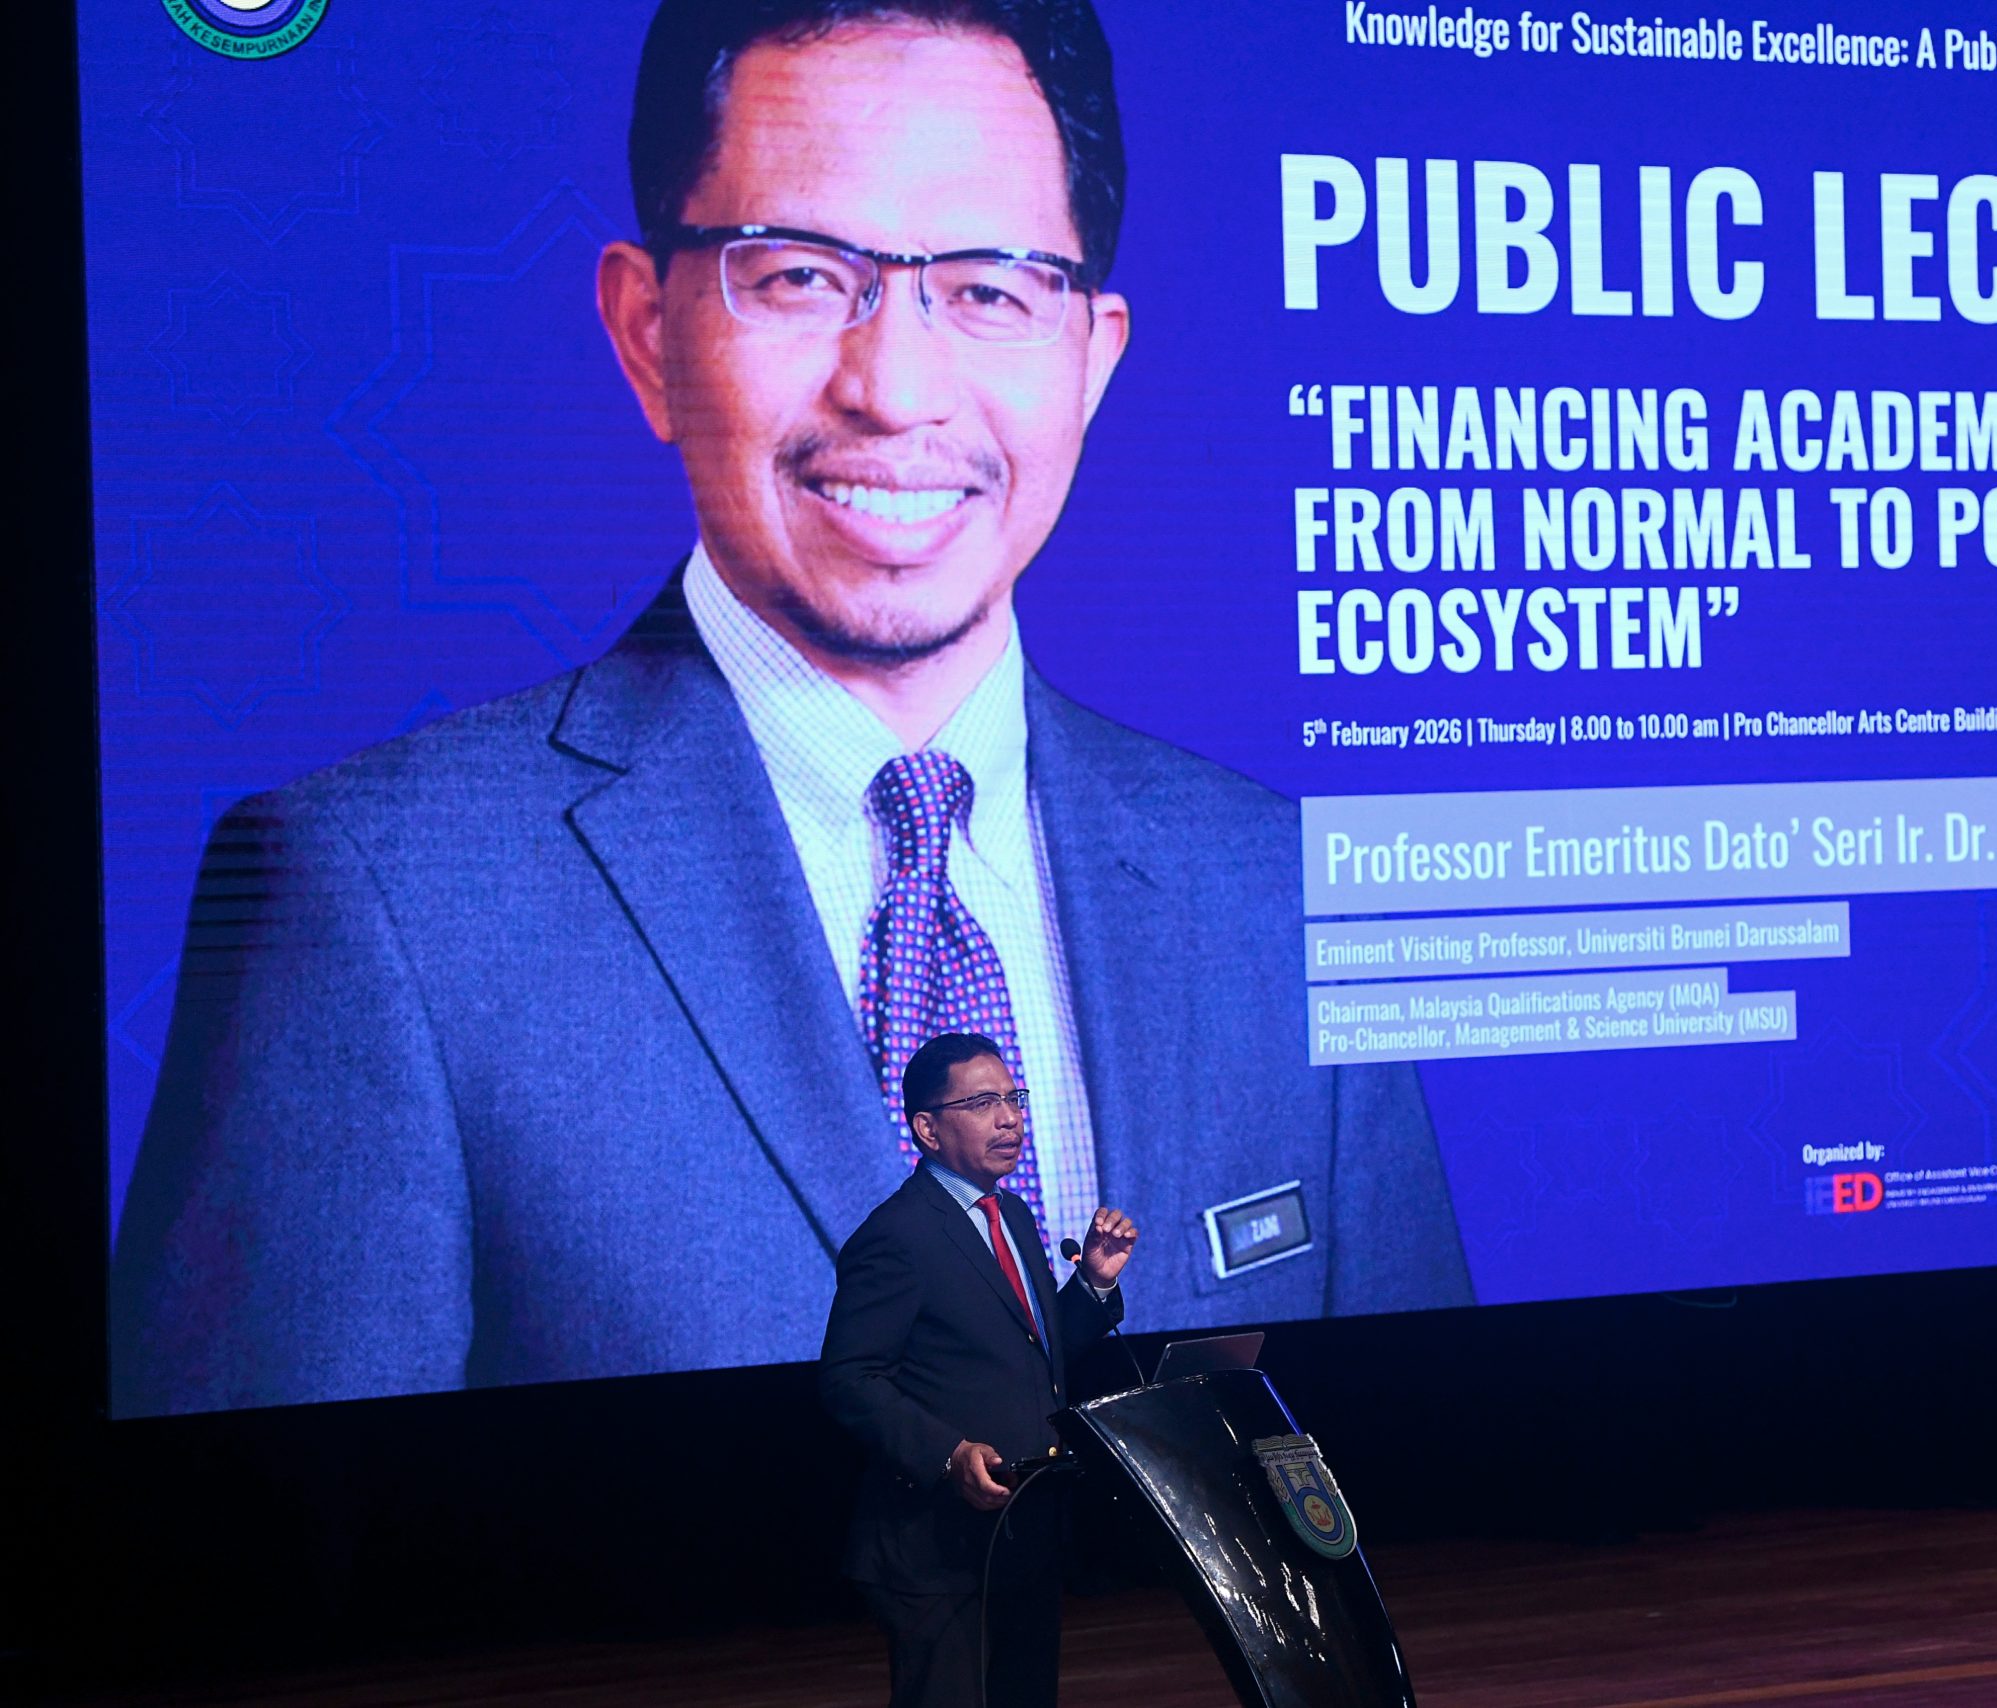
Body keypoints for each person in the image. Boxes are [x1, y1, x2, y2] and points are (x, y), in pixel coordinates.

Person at [110, 0, 1471, 1418]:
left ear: (1092, 356)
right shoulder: (379, 899)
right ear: (647, 331)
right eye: (802, 275)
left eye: (989, 290)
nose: (893, 387)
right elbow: (273, 1525)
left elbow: (1413, 1470)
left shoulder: (1277, 894)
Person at [820, 1032, 1135, 1708]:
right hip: (937, 1550)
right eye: (983, 1103)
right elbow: (850, 1378)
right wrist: (949, 1454)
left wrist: (1094, 1285)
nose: (1009, 1119)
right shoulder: (896, 1237)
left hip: (1024, 1528)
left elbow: (1031, 1350)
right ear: (928, 1129)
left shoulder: (1011, 1214)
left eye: (1014, 1098)